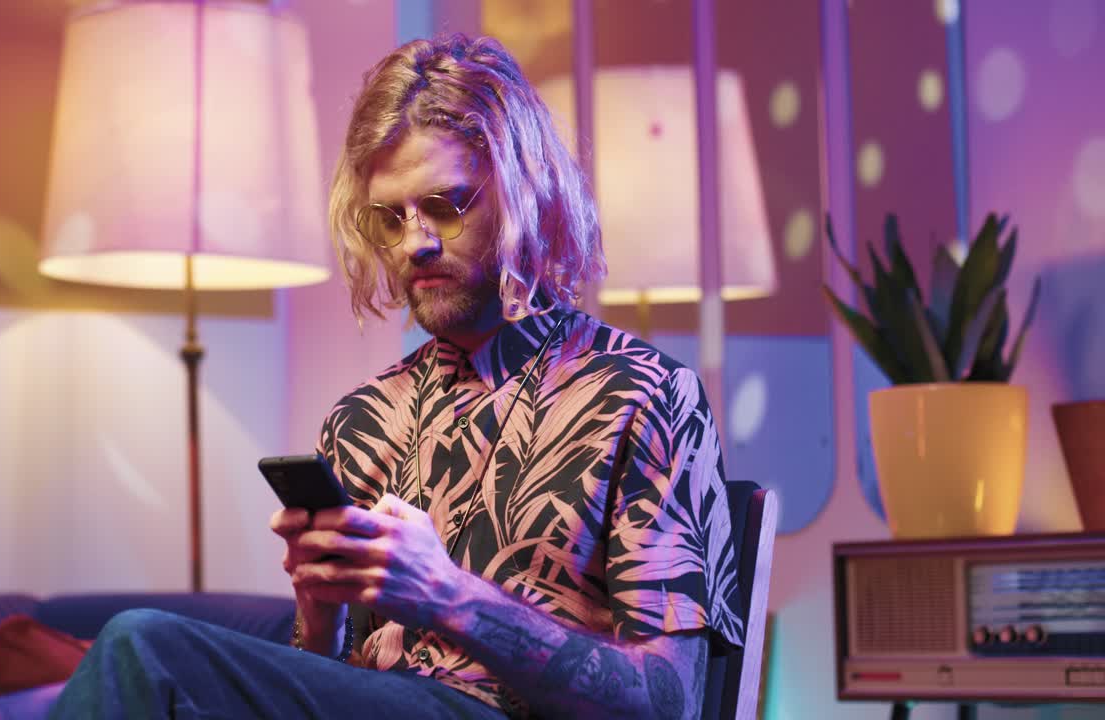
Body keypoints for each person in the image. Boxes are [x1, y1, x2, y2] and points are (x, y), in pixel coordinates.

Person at [50, 33, 743, 720]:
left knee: (143, 646)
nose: (416, 242)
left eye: (446, 205)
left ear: (525, 194)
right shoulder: (362, 420)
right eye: (391, 217)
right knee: (146, 666)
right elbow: (326, 685)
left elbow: (669, 702)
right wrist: (317, 611)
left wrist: (447, 593)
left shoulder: (642, 393)